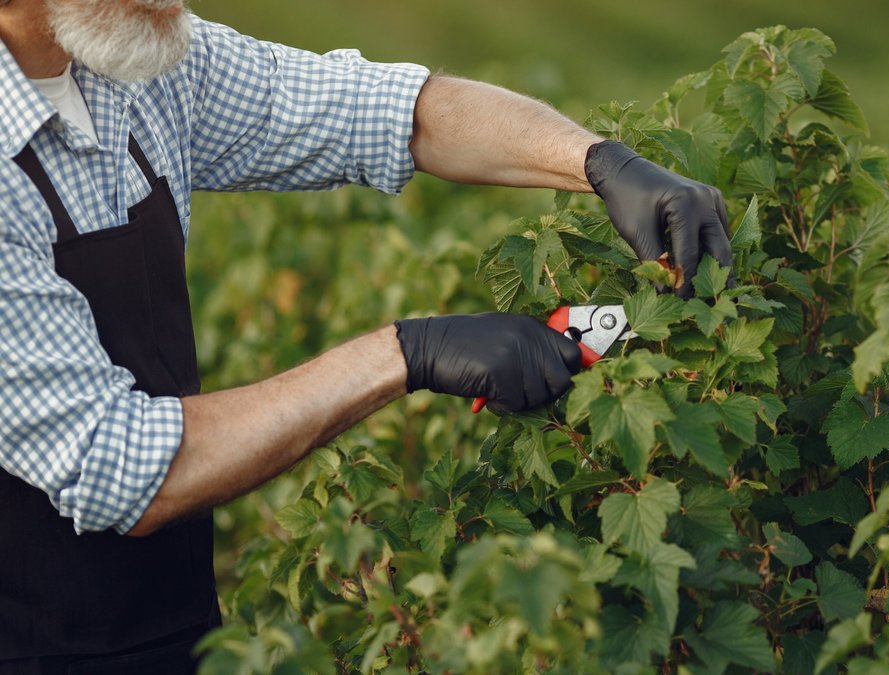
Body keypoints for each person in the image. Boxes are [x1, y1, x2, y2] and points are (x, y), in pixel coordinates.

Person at [0, 0, 733, 671]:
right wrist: (406, 352)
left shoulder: (135, 65)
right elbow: (120, 463)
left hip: (174, 620)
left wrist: (601, 162)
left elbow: (386, 111)